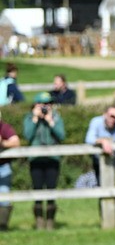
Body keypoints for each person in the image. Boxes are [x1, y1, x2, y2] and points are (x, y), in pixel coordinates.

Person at [23, 92, 65, 230]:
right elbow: (27, 135)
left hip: (52, 159)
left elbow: (61, 135)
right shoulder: (29, 118)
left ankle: (50, 222)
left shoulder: (56, 118)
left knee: (51, 189)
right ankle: (40, 222)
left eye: (48, 104)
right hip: (36, 159)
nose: (46, 107)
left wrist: (50, 121)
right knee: (37, 189)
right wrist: (35, 118)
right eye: (43, 104)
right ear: (36, 105)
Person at [85, 104, 115, 221]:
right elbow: (89, 138)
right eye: (111, 116)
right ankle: (105, 219)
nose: (112, 119)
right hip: (100, 162)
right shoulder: (96, 121)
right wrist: (103, 141)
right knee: (102, 189)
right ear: (104, 114)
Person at [0, 109, 18, 230]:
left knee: (4, 196)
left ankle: (2, 226)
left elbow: (16, 142)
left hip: (3, 166)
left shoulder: (4, 127)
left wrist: (3, 143)